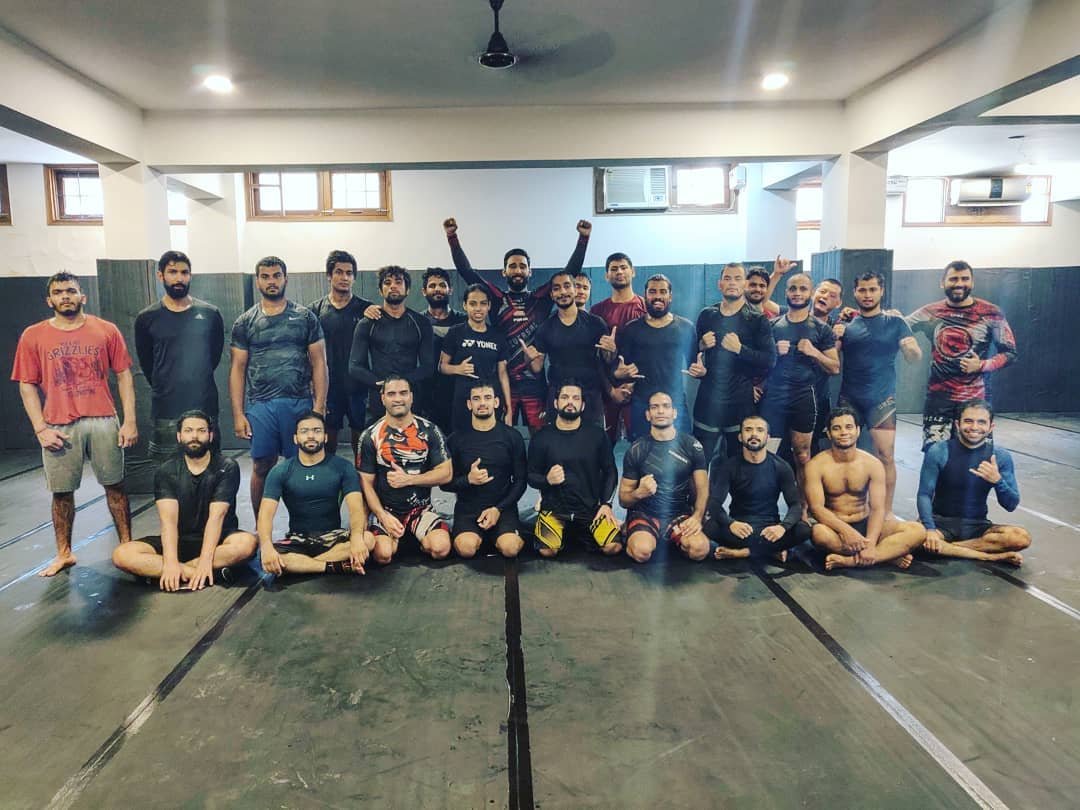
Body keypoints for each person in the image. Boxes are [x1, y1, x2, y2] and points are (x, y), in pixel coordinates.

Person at [11, 272, 138, 576]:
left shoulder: (106, 330)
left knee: (115, 486)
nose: (65, 296)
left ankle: (127, 546)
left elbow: (123, 374)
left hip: (103, 419)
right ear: (49, 299)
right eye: (58, 292)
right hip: (59, 424)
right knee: (62, 492)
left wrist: (129, 420)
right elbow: (26, 384)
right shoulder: (33, 335)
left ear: (83, 296)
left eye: (70, 291)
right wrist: (40, 427)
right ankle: (64, 553)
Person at [443, 216, 591, 433]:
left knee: (540, 436)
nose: (518, 270)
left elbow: (569, 272)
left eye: (523, 266)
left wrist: (583, 239)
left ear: (530, 271)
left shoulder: (540, 299)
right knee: (504, 436)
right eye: (512, 266)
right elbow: (468, 273)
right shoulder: (496, 299)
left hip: (535, 385)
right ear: (504, 272)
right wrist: (452, 237)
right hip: (504, 385)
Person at [112, 410, 257, 590]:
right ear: (179, 436)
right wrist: (171, 561)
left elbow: (216, 517)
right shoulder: (166, 471)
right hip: (179, 541)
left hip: (218, 541)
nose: (194, 436)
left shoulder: (226, 467)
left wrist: (205, 559)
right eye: (188, 431)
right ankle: (202, 574)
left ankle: (175, 574)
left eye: (201, 431)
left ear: (210, 436)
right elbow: (168, 523)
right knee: (122, 554)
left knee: (247, 544)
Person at [229, 256, 328, 519]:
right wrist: (238, 414)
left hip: (299, 403)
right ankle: (263, 528)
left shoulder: (305, 317)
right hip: (261, 405)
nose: (271, 281)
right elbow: (237, 369)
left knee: (302, 464)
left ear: (286, 278)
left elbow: (319, 363)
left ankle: (304, 524)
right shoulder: (245, 322)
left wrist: (318, 407)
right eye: (265, 276)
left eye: (276, 276)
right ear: (257, 280)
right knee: (262, 465)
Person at [905, 260, 1018, 449]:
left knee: (975, 460)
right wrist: (855, 317)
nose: (959, 283)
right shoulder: (931, 312)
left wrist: (982, 365)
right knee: (935, 456)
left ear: (972, 282)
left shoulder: (990, 313)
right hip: (939, 400)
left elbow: (1010, 353)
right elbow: (896, 326)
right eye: (953, 279)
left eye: (965, 279)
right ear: (942, 283)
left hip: (975, 401)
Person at [834, 271, 922, 512]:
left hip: (881, 401)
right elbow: (832, 364)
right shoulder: (846, 324)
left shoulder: (896, 323)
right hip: (850, 399)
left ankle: (886, 511)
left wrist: (910, 348)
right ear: (855, 292)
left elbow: (915, 357)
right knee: (847, 455)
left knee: (885, 456)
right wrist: (836, 338)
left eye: (873, 289)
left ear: (881, 291)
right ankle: (850, 508)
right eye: (862, 290)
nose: (867, 294)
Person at [804, 406, 926, 570]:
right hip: (836, 526)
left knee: (917, 530)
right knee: (819, 534)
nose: (844, 432)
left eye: (849, 427)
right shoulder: (816, 465)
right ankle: (886, 555)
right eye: (836, 428)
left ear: (858, 430)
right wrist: (847, 531)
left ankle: (853, 560)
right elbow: (817, 508)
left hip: (866, 522)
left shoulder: (872, 464)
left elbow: (877, 508)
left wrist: (870, 542)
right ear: (829, 434)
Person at [134, 250, 225, 466]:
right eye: (172, 272)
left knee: (209, 469)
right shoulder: (147, 318)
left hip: (204, 405)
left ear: (190, 275)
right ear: (160, 276)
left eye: (184, 272)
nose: (179, 278)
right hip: (166, 408)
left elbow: (214, 356)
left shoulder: (210, 314)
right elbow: (147, 363)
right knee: (167, 471)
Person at [257, 411, 371, 577]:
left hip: (333, 538)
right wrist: (266, 548)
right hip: (298, 539)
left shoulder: (343, 467)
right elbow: (265, 515)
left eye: (317, 431)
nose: (311, 436)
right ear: (295, 438)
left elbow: (356, 509)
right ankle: (332, 566)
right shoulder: (280, 471)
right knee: (273, 555)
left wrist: (357, 539)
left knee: (368, 539)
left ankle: (303, 566)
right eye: (304, 431)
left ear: (325, 437)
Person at [916, 399, 1029, 566]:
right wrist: (930, 529)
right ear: (957, 424)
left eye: (981, 422)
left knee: (1021, 537)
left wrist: (997, 481)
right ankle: (988, 556)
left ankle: (948, 549)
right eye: (968, 421)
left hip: (977, 526)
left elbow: (1011, 505)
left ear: (991, 427)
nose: (974, 427)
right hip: (940, 523)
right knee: (913, 537)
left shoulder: (1000, 457)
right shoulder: (939, 451)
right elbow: (924, 494)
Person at [357, 375, 453, 564]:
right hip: (387, 509)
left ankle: (412, 538)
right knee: (382, 555)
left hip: (420, 508)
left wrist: (409, 479)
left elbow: (446, 473)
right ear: (382, 398)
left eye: (403, 393)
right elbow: (365, 484)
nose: (398, 399)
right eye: (391, 394)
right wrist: (382, 516)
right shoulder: (370, 436)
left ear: (411, 397)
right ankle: (397, 538)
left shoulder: (430, 430)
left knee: (441, 549)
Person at [759, 272, 839, 485]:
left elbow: (834, 367)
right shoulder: (773, 326)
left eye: (803, 289)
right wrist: (774, 353)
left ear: (810, 293)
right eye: (793, 288)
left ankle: (803, 512)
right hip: (773, 397)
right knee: (767, 454)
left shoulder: (822, 329)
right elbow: (760, 363)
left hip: (803, 397)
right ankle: (767, 510)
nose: (797, 293)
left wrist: (814, 352)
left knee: (803, 455)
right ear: (786, 292)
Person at [693, 262, 777, 464]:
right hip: (708, 402)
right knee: (698, 465)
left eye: (738, 278)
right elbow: (691, 355)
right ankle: (701, 497)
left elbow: (770, 360)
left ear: (745, 284)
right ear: (719, 284)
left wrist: (740, 349)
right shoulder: (707, 315)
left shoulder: (757, 319)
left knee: (737, 467)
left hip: (740, 405)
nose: (732, 283)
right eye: (727, 278)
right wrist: (701, 347)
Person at [527, 381, 621, 557]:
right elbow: (530, 476)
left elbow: (610, 471)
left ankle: (580, 533)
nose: (570, 402)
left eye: (575, 398)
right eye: (564, 397)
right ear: (556, 403)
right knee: (547, 551)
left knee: (613, 547)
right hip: (554, 510)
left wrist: (607, 505)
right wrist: (547, 480)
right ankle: (567, 534)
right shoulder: (541, 438)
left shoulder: (597, 435)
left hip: (589, 510)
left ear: (583, 405)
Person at [704, 415, 810, 562]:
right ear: (740, 437)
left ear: (767, 437)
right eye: (748, 429)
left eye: (760, 430)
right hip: (740, 527)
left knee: (803, 530)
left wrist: (782, 528)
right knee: (710, 527)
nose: (754, 434)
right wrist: (731, 523)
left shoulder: (781, 466)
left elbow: (795, 505)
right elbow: (714, 504)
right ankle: (770, 551)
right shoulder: (729, 466)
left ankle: (744, 553)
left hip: (769, 529)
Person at [620, 391, 709, 563]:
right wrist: (639, 493)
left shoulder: (691, 445)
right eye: (655, 407)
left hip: (678, 514)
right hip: (645, 514)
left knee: (700, 550)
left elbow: (703, 487)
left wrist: (697, 517)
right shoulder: (636, 449)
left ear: (674, 413)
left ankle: (671, 537)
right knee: (641, 552)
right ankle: (636, 532)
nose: (660, 411)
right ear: (648, 415)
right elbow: (623, 499)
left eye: (666, 406)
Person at [307, 249, 379, 458]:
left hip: (359, 387)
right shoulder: (315, 310)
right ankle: (330, 483)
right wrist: (312, 384)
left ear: (354, 278)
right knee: (328, 441)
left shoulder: (367, 309)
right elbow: (308, 353)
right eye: (339, 272)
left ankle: (360, 485)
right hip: (328, 386)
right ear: (329, 275)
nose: (344, 277)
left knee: (361, 442)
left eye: (349, 273)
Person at [444, 380, 527, 559]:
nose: (482, 403)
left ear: (496, 402)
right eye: (476, 399)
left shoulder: (512, 437)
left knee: (510, 549)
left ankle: (502, 535)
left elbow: (521, 481)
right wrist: (468, 480)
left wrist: (498, 509)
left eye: (487, 398)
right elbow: (444, 484)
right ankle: (480, 537)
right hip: (468, 510)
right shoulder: (456, 440)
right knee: (466, 549)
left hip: (502, 508)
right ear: (469, 404)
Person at [614, 273, 698, 441]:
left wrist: (701, 369)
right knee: (641, 454)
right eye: (652, 291)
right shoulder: (632, 329)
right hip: (641, 403)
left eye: (663, 291)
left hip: (675, 403)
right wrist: (619, 375)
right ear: (645, 295)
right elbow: (620, 371)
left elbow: (695, 366)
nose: (658, 296)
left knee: (682, 454)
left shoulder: (686, 327)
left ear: (670, 296)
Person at [348, 265, 435, 425]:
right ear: (381, 291)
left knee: (412, 448)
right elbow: (354, 366)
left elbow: (428, 366)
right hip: (378, 399)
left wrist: (402, 386)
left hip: (411, 399)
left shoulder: (421, 323)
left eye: (398, 282)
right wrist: (383, 386)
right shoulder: (367, 323)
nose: (393, 286)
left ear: (407, 289)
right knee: (376, 447)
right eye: (387, 283)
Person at [523, 270, 610, 427]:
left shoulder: (596, 324)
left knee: (593, 445)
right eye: (556, 288)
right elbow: (536, 368)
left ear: (575, 290)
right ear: (551, 295)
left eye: (567, 286)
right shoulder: (545, 328)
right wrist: (528, 359)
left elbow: (608, 360)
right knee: (559, 446)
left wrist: (612, 350)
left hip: (590, 395)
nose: (562, 292)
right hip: (558, 395)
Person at [439, 284, 512, 432]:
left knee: (490, 443)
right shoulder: (455, 332)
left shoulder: (497, 336)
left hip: (490, 400)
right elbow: (441, 366)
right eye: (473, 304)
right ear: (465, 305)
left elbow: (503, 374)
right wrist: (457, 369)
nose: (478, 308)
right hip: (463, 400)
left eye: (483, 303)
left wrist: (509, 408)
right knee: (462, 444)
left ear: (489, 306)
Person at [590, 252, 646, 444]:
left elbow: (653, 353)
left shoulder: (646, 308)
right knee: (603, 449)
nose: (619, 272)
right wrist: (611, 389)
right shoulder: (597, 311)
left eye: (623, 267)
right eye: (614, 269)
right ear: (606, 275)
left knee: (642, 449)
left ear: (633, 271)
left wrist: (633, 383)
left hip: (639, 390)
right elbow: (594, 358)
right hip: (607, 391)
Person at [420, 267, 467, 435]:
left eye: (442, 285)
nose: (437, 289)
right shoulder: (418, 322)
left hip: (459, 392)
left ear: (450, 290)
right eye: (432, 286)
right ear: (424, 291)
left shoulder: (464, 321)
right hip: (426, 394)